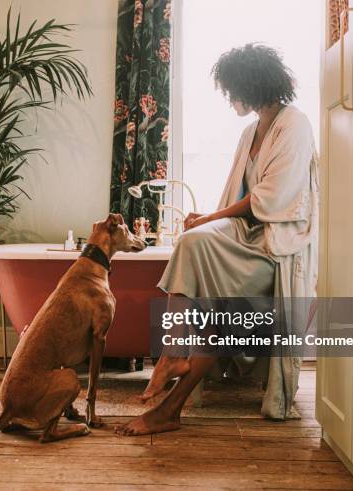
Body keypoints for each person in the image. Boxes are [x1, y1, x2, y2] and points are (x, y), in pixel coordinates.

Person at [116, 44, 319, 436]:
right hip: (245, 240)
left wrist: (210, 218)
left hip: (273, 250)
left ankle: (170, 390)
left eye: (231, 91)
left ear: (252, 85)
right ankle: (172, 368)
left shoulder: (295, 124)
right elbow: (239, 193)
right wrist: (207, 222)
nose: (229, 99)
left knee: (210, 294)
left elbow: (271, 197)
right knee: (193, 249)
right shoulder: (250, 131)